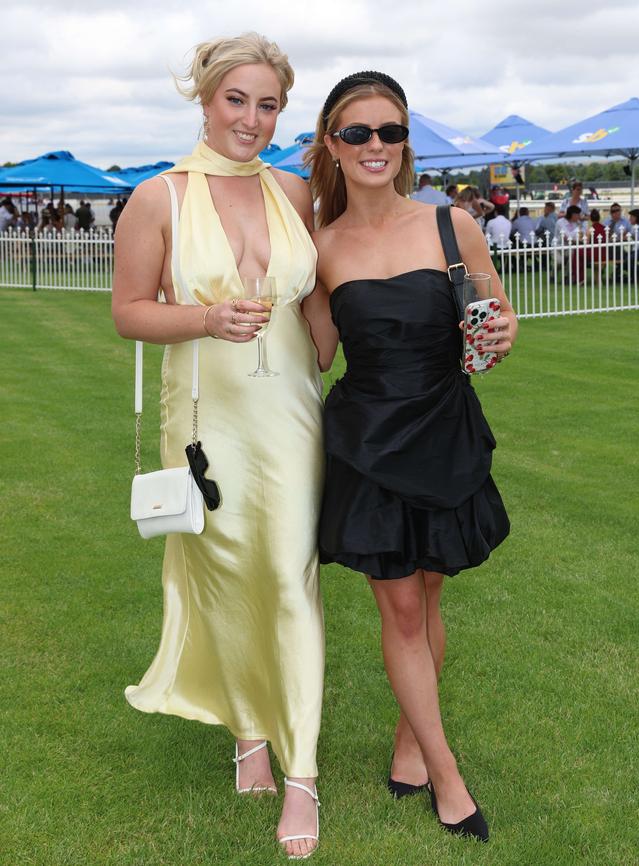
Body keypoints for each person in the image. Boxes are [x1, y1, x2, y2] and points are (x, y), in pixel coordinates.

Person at [112, 33, 324, 860]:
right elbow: (130, 311)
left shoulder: (298, 193)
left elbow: (320, 307)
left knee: (291, 577)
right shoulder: (156, 198)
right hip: (205, 419)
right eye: (237, 99)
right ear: (204, 99)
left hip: (295, 414)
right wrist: (204, 317)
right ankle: (249, 733)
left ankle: (300, 772)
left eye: (268, 103)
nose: (253, 118)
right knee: (228, 572)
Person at [302, 70, 516, 844]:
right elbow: (319, 353)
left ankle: (408, 739)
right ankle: (448, 777)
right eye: (357, 132)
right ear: (332, 142)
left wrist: (501, 333)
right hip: (367, 439)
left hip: (444, 426)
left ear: (404, 142)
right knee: (398, 607)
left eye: (389, 131)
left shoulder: (451, 225)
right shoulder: (320, 248)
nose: (375, 146)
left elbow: (495, 310)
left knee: (428, 598)